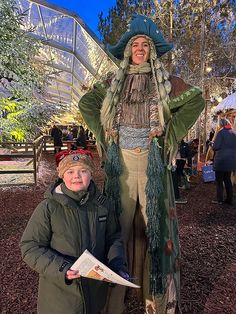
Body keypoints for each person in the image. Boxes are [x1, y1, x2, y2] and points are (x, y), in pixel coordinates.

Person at [79, 14, 205, 314]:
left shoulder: (166, 83)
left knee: (155, 229)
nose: (139, 48)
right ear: (127, 50)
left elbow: (196, 100)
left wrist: (169, 134)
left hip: (151, 164)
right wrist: (105, 133)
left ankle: (156, 302)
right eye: (134, 44)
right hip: (119, 164)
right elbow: (87, 104)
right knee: (115, 229)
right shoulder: (113, 83)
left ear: (151, 50)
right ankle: (112, 304)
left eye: (144, 44)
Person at [20, 149, 128, 314]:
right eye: (70, 171)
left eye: (83, 171)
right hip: (60, 299)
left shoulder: (103, 206)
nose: (76, 176)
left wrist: (117, 264)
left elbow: (113, 238)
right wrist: (62, 268)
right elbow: (30, 247)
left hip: (94, 296)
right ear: (62, 175)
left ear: (91, 174)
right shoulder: (48, 208)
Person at [212, 118, 236, 205]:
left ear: (221, 124)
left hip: (221, 161)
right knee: (228, 180)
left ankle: (219, 200)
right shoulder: (234, 133)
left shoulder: (221, 133)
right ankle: (229, 199)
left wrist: (212, 144)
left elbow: (215, 147)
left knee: (219, 181)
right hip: (231, 161)